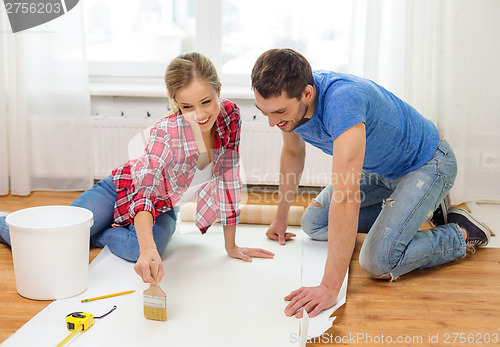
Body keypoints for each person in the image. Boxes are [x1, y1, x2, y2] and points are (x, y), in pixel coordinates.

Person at [250, 48, 491, 319]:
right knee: (314, 224)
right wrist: (280, 218)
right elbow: (293, 154)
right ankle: (423, 209)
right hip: (380, 170)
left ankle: (461, 231)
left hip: (427, 164)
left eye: (278, 112)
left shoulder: (343, 101)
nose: (272, 123)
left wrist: (329, 287)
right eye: (264, 112)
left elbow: (346, 200)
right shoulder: (291, 109)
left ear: (307, 93)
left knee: (378, 261)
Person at [0, 52, 274, 284]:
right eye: (187, 106)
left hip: (164, 206)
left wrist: (231, 246)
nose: (200, 114)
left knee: (134, 247)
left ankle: (90, 234)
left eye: (206, 101)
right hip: (119, 189)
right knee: (53, 239)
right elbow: (144, 192)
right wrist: (148, 249)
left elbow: (227, 179)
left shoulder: (231, 118)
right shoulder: (166, 133)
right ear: (175, 102)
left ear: (219, 90)